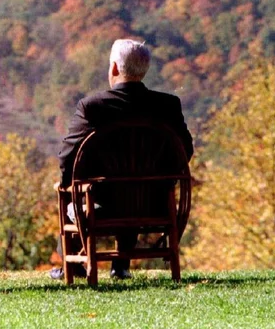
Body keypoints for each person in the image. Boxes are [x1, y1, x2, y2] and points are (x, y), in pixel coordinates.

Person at [50, 39, 193, 281]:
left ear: (114, 68)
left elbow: (68, 156)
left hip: (103, 205)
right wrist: (160, 182)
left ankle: (73, 266)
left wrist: (68, 186)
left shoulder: (93, 107)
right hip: (154, 203)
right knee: (131, 190)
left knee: (79, 199)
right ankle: (120, 266)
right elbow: (185, 150)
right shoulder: (167, 106)